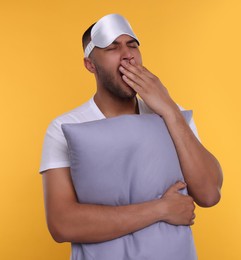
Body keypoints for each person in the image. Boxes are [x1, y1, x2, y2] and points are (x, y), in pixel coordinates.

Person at [40, 13, 223, 259]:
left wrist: (168, 108)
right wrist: (161, 209)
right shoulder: (64, 127)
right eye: (112, 47)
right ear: (90, 64)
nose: (127, 54)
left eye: (132, 45)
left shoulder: (174, 115)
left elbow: (209, 194)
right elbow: (62, 224)